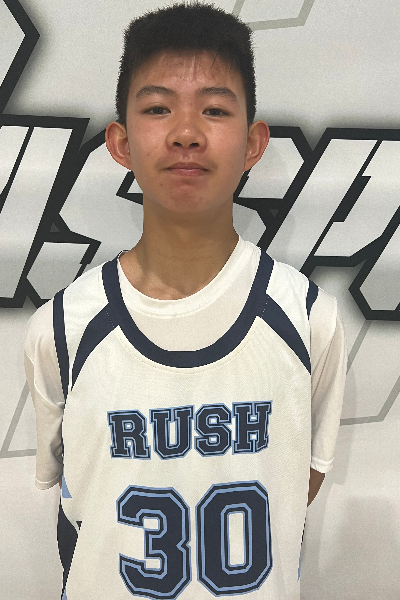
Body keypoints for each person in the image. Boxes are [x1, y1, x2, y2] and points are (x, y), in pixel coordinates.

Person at [24, 2, 347, 599]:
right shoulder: (62, 328)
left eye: (215, 109)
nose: (186, 133)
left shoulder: (308, 319)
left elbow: (297, 486)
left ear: (253, 143)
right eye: (157, 108)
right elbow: (74, 494)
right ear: (121, 142)